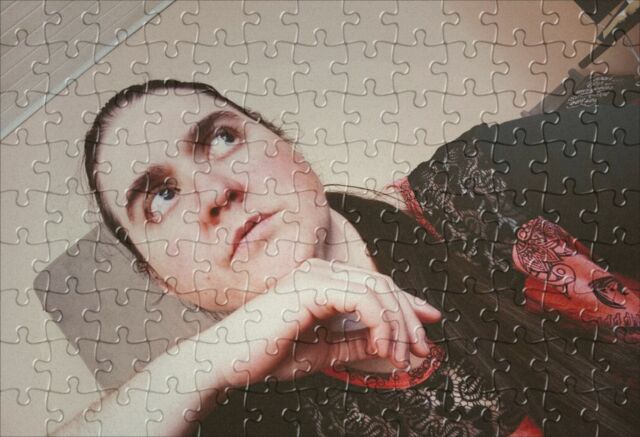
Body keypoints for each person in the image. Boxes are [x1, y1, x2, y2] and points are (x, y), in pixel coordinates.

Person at [53, 79, 639, 436]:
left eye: (222, 138)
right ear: (163, 280)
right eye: (161, 197)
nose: (214, 191)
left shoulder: (479, 185)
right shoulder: (250, 422)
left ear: (287, 144)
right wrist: (208, 361)